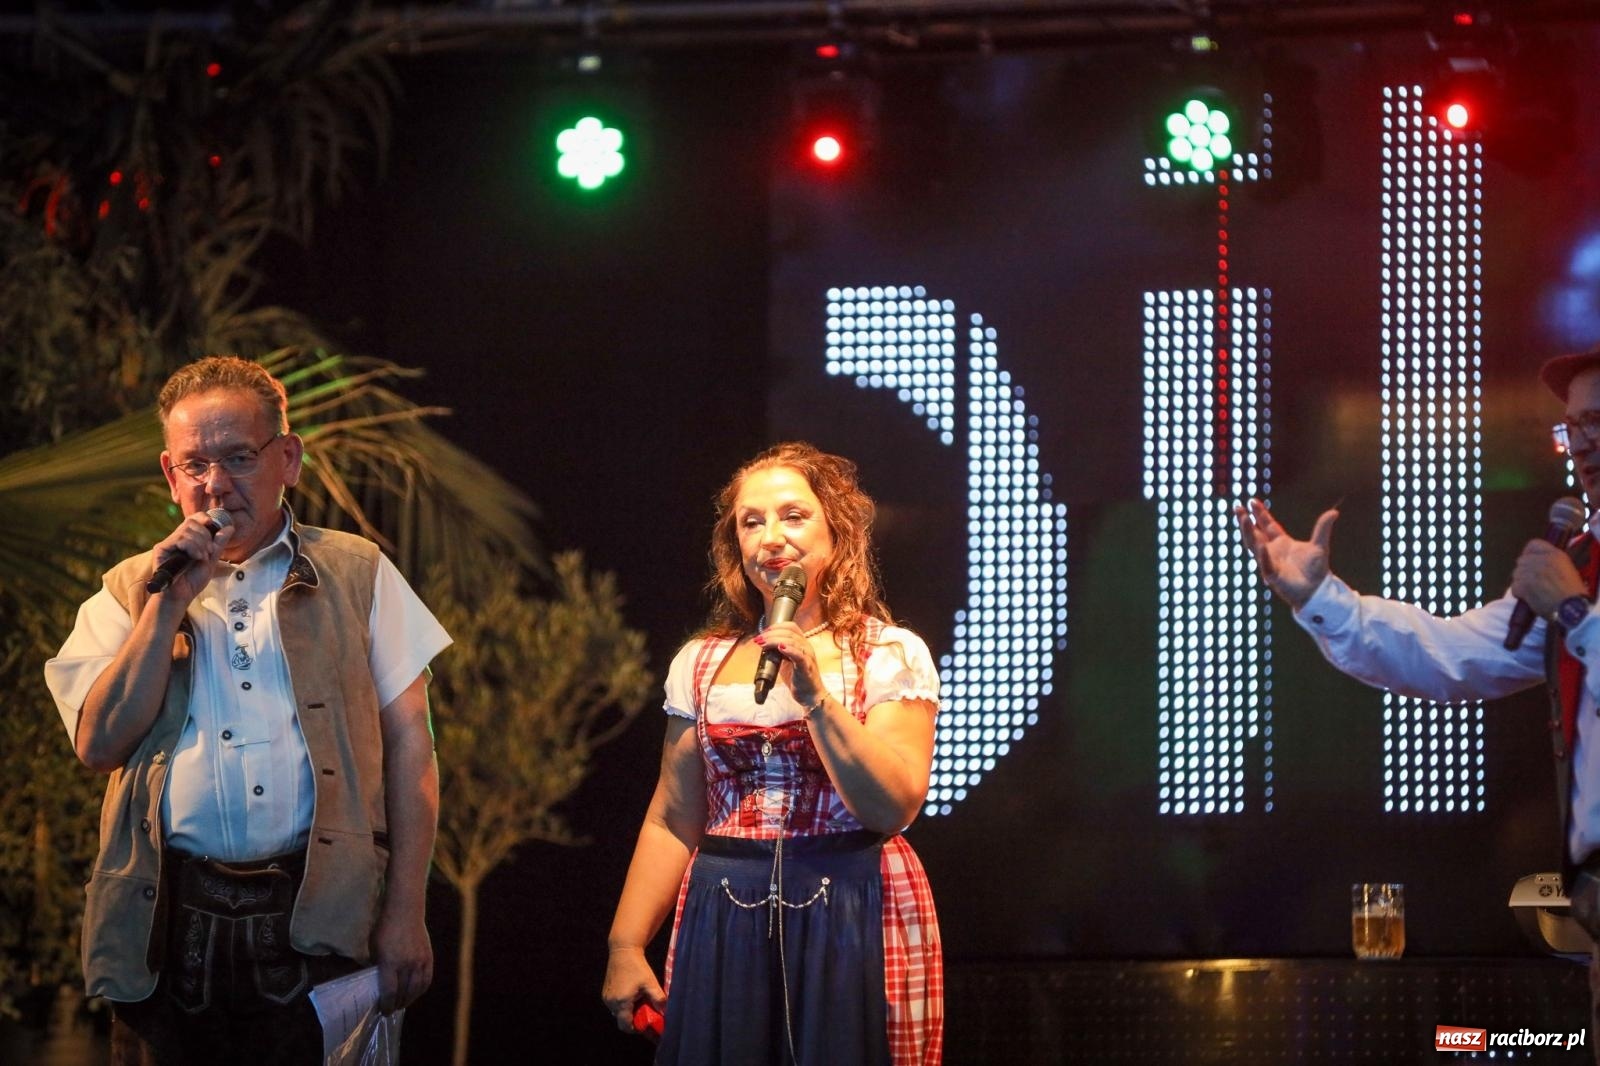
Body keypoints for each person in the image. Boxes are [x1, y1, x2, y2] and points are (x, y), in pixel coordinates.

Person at [43, 355, 451, 1065]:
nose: (215, 484)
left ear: (287, 459)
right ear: (170, 475)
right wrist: (164, 603)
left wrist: (406, 909)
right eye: (195, 464)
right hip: (168, 926)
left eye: (238, 457)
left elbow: (413, 746)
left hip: (318, 915)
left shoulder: (357, 573)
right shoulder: (127, 590)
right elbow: (98, 744)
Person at [1237, 344, 1600, 1058]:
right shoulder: (1580, 563)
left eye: (1599, 424)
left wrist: (1577, 617)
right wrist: (1320, 598)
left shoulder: (1571, 590)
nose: (1582, 446)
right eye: (1573, 429)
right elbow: (1453, 657)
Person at [601, 441, 944, 1064]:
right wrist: (625, 945)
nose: (772, 537)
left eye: (794, 515)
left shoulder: (889, 654)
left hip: (852, 903)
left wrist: (816, 697)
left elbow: (891, 806)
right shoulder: (701, 662)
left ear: (835, 532)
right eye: (751, 522)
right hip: (725, 907)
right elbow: (672, 817)